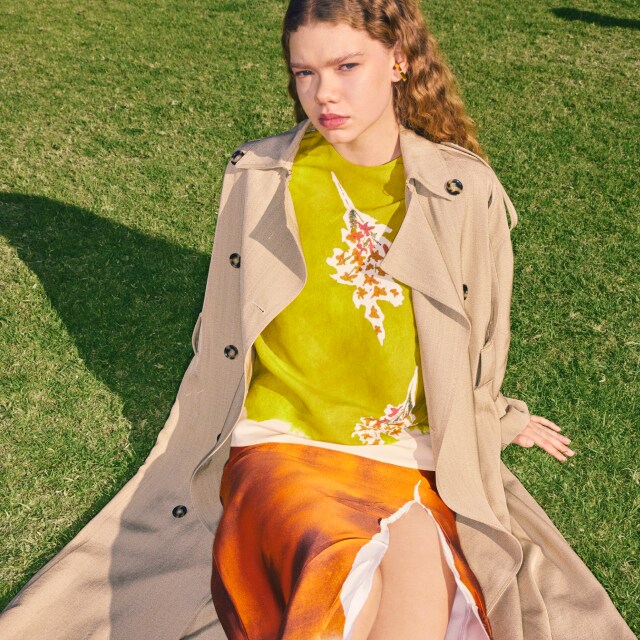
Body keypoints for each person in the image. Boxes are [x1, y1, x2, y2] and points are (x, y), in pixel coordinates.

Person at [0, 1, 635, 639]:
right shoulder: (260, 177)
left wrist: (501, 417)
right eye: (304, 73)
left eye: (345, 66)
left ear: (398, 60)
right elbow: (222, 329)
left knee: (424, 615)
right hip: (282, 442)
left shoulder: (461, 191)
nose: (323, 93)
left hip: (403, 456)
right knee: (336, 582)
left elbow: (481, 339)